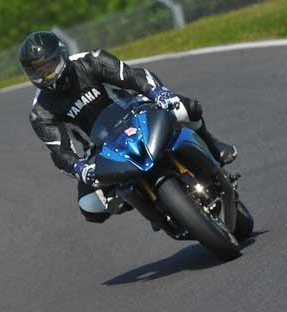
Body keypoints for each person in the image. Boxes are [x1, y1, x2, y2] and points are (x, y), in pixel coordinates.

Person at [19, 31, 237, 225]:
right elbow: (59, 151)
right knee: (90, 206)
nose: (45, 75)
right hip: (99, 146)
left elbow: (133, 77)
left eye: (49, 66)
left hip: (137, 111)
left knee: (186, 109)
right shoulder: (40, 112)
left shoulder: (90, 60)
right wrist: (79, 168)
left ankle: (211, 144)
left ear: (62, 55)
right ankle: (137, 197)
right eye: (37, 71)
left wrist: (158, 93)